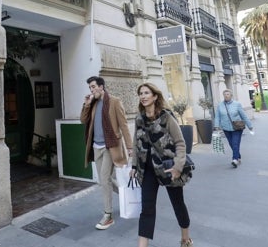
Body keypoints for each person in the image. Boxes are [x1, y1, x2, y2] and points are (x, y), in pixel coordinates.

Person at [129, 83, 193, 247]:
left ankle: (185, 239)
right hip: (148, 170)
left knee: (177, 204)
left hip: (168, 167)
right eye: (141, 93)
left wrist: (178, 167)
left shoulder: (166, 117)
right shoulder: (139, 119)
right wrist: (134, 166)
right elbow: (136, 144)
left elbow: (180, 143)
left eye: (146, 93)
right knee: (147, 209)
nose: (143, 96)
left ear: (155, 96)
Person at [81, 76, 132, 230]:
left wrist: (130, 147)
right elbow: (83, 120)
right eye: (90, 87)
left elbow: (123, 125)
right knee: (105, 181)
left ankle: (108, 215)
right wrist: (86, 105)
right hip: (96, 147)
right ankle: (128, 194)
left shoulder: (115, 101)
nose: (91, 90)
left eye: (93, 86)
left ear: (101, 87)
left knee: (104, 178)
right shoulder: (93, 103)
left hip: (111, 146)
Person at [214, 89, 253, 168]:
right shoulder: (220, 105)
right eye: (225, 94)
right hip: (226, 128)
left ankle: (234, 159)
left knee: (235, 143)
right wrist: (216, 126)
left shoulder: (237, 104)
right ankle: (238, 156)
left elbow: (243, 115)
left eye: (228, 94)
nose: (226, 96)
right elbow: (217, 116)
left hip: (237, 128)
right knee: (231, 144)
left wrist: (250, 126)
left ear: (231, 95)